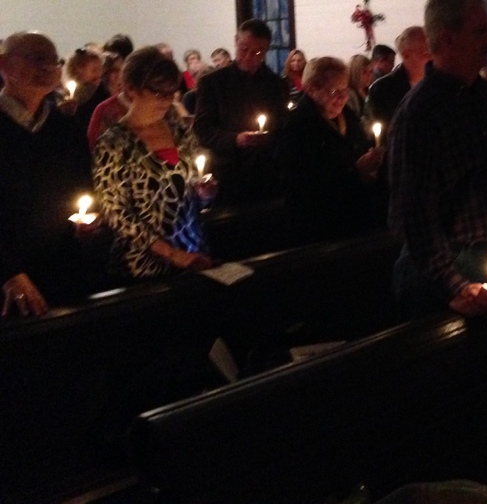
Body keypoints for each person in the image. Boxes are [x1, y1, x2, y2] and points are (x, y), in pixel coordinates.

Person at [389, 0, 487, 319]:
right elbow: (413, 212)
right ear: (448, 39)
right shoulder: (420, 111)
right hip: (457, 267)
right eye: (480, 31)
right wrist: (454, 286)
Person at [0, 32, 101, 316]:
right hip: (9, 281)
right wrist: (7, 272)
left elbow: (83, 187)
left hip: (61, 271)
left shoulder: (65, 128)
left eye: (52, 60)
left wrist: (88, 222)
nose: (47, 67)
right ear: (5, 66)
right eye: (36, 59)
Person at [93, 47, 216, 279]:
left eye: (171, 93)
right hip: (143, 266)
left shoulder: (178, 129)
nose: (167, 101)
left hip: (192, 252)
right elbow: (117, 214)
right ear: (131, 88)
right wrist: (171, 254)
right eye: (159, 93)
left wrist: (205, 192)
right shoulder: (115, 143)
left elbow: (193, 189)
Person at [279, 57, 387, 243]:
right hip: (319, 223)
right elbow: (304, 183)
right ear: (312, 90)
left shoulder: (348, 118)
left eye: (345, 90)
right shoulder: (297, 126)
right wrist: (356, 171)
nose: (343, 97)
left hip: (353, 214)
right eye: (335, 91)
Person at [193, 19, 290, 204]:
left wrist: (270, 137)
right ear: (236, 41)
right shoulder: (213, 83)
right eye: (244, 48)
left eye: (257, 52)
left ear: (266, 51)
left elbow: (283, 128)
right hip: (228, 175)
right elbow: (202, 129)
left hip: (267, 176)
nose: (249, 56)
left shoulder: (277, 85)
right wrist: (235, 139)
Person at [364, 26, 430, 130]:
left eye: (434, 51)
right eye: (425, 53)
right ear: (406, 55)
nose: (432, 57)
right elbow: (382, 130)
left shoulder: (440, 84)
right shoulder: (382, 89)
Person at [347, 53, 374, 118]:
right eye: (364, 72)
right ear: (355, 72)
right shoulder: (348, 95)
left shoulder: (370, 90)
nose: (369, 75)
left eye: (371, 71)